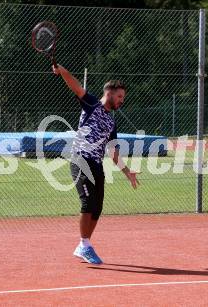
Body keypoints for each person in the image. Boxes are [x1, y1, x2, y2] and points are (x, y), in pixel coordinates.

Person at [52, 65, 139, 265]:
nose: (121, 101)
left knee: (97, 207)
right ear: (109, 93)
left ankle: (84, 245)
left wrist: (127, 171)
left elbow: (112, 150)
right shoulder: (92, 104)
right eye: (119, 96)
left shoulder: (111, 122)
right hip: (80, 160)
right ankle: (84, 244)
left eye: (123, 98)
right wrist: (64, 71)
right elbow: (76, 88)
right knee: (87, 203)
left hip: (97, 165)